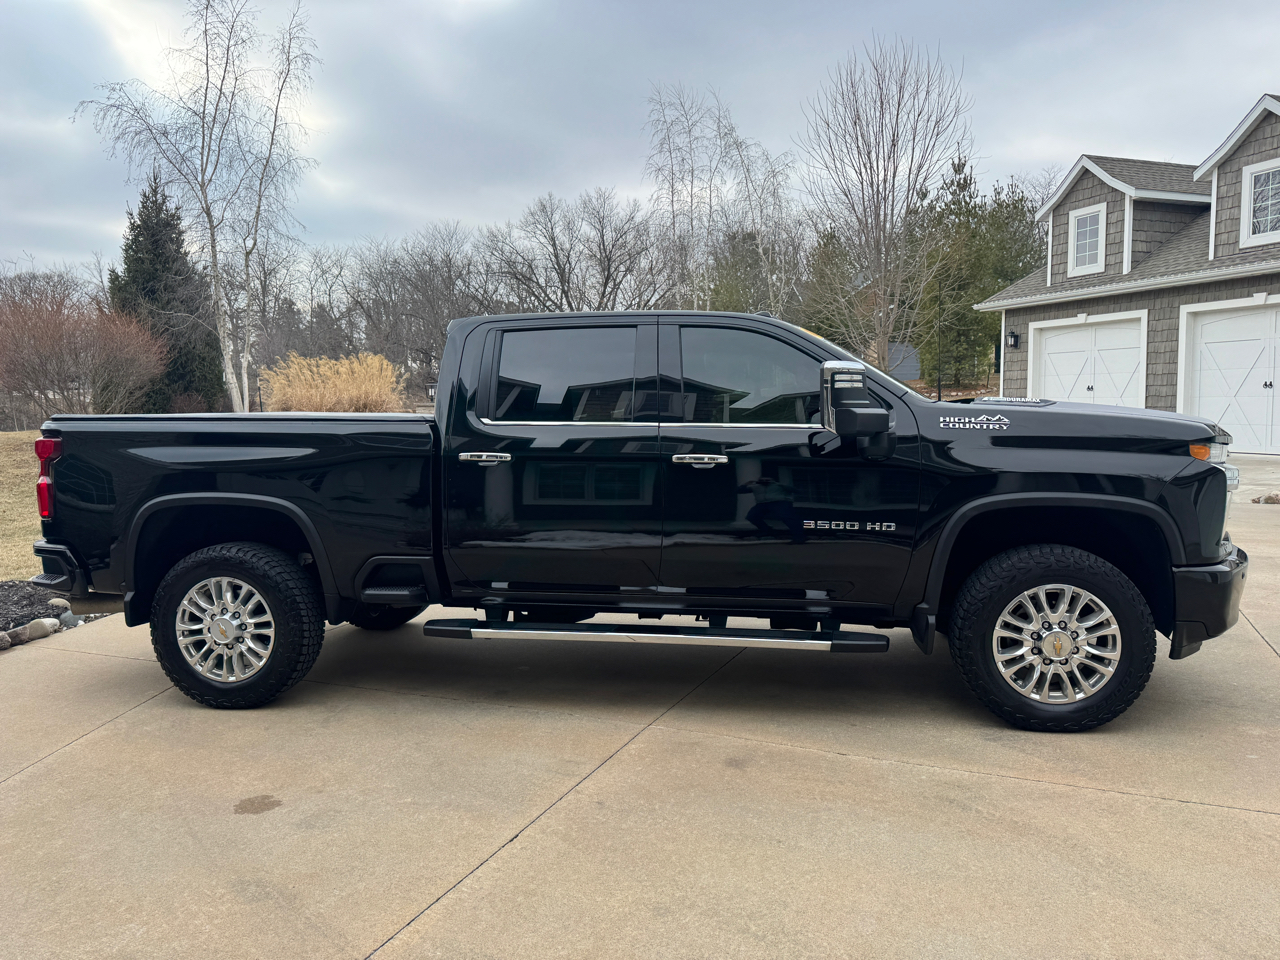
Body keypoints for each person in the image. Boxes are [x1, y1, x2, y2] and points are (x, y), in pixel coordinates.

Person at [738, 476, 806, 543]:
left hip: (779, 502)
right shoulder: (755, 487)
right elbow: (739, 491)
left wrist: (782, 485)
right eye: (762, 480)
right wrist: (746, 484)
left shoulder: (778, 486)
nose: (764, 482)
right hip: (762, 503)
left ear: (771, 480)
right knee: (752, 516)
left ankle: (799, 537)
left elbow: (795, 490)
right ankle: (766, 530)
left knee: (787, 517)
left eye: (767, 480)